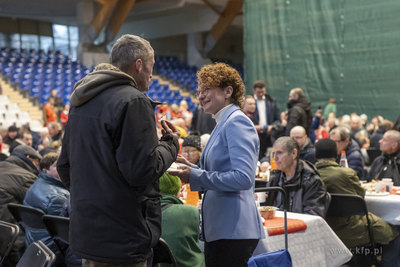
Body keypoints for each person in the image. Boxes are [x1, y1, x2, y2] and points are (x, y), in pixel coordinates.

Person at [57, 34, 180, 267]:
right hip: (122, 238)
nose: (152, 75)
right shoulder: (134, 101)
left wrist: (95, 199)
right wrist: (170, 144)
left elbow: (64, 166)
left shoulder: (81, 101)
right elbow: (141, 171)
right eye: (151, 67)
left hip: (89, 234)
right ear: (139, 64)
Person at [173, 62, 264, 267]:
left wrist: (195, 176)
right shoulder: (222, 122)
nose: (200, 95)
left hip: (233, 229)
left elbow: (242, 178)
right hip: (223, 228)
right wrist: (190, 168)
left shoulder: (236, 122)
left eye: (207, 89)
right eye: (198, 90)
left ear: (228, 91)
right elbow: (219, 173)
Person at [314, 139, 400, 267]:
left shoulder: (309, 173)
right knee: (394, 233)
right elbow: (360, 196)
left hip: (322, 229)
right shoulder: (346, 173)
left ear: (315, 155)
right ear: (336, 154)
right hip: (350, 227)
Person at [23, 153, 70, 262]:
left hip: (35, 245)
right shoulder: (57, 197)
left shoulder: (35, 185)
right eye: (56, 166)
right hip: (52, 250)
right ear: (45, 170)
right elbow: (64, 236)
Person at [265, 137, 328, 217]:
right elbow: (267, 208)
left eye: (279, 153)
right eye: (274, 153)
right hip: (277, 226)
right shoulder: (276, 176)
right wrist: (260, 200)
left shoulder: (311, 180)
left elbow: (313, 216)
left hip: (300, 228)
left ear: (294, 153)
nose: (275, 158)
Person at [159, 172, 205, 267]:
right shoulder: (191, 211)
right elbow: (204, 237)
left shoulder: (144, 214)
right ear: (179, 190)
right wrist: (202, 211)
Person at [0, 145, 41, 223]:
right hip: (9, 228)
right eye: (36, 163)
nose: (37, 168)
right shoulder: (27, 178)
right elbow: (37, 205)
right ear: (28, 158)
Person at [252, 80, 281, 159]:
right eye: (258, 92)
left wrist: (271, 126)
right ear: (254, 91)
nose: (261, 94)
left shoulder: (271, 102)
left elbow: (278, 119)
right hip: (254, 135)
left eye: (262, 92)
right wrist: (253, 127)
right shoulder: (249, 102)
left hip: (269, 135)